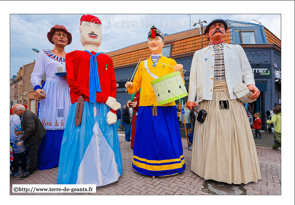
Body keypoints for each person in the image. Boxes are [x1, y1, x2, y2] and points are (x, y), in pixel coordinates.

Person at [186, 19, 261, 184]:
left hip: (232, 97)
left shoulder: (237, 49)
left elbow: (246, 70)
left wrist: (251, 85)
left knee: (234, 133)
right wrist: (191, 99)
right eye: (212, 27)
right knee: (210, 132)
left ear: (226, 32)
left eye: (220, 26)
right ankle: (208, 169)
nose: (217, 28)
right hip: (208, 98)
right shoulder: (199, 54)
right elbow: (194, 78)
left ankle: (237, 170)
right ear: (207, 34)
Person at [57, 14, 123, 186]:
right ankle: (82, 178)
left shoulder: (107, 59)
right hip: (82, 107)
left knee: (105, 139)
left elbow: (112, 84)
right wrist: (104, 98)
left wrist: (113, 109)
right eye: (88, 25)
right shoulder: (73, 56)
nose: (93, 30)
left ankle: (108, 175)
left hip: (103, 109)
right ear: (80, 30)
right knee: (79, 140)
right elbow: (74, 84)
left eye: (98, 27)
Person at [125, 26, 185, 177]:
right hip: (146, 106)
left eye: (156, 39)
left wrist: (179, 71)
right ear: (147, 43)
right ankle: (144, 165)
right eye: (150, 39)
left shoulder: (171, 62)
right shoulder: (142, 64)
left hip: (166, 107)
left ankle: (169, 165)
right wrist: (129, 86)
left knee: (165, 137)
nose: (153, 41)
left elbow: (178, 85)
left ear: (163, 43)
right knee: (147, 137)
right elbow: (136, 86)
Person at [31, 24, 72, 170]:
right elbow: (36, 74)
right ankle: (47, 159)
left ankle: (65, 158)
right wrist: (37, 88)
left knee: (67, 121)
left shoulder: (72, 57)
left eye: (64, 35)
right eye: (58, 34)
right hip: (51, 91)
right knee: (50, 121)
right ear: (52, 38)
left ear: (68, 40)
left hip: (67, 91)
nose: (61, 37)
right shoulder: (44, 54)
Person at [13, 104, 46, 179]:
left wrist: (22, 138)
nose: (15, 113)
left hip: (36, 136)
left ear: (21, 110)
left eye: (16, 111)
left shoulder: (28, 115)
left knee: (33, 153)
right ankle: (33, 167)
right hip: (35, 135)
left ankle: (31, 170)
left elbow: (31, 128)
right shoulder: (25, 114)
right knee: (32, 152)